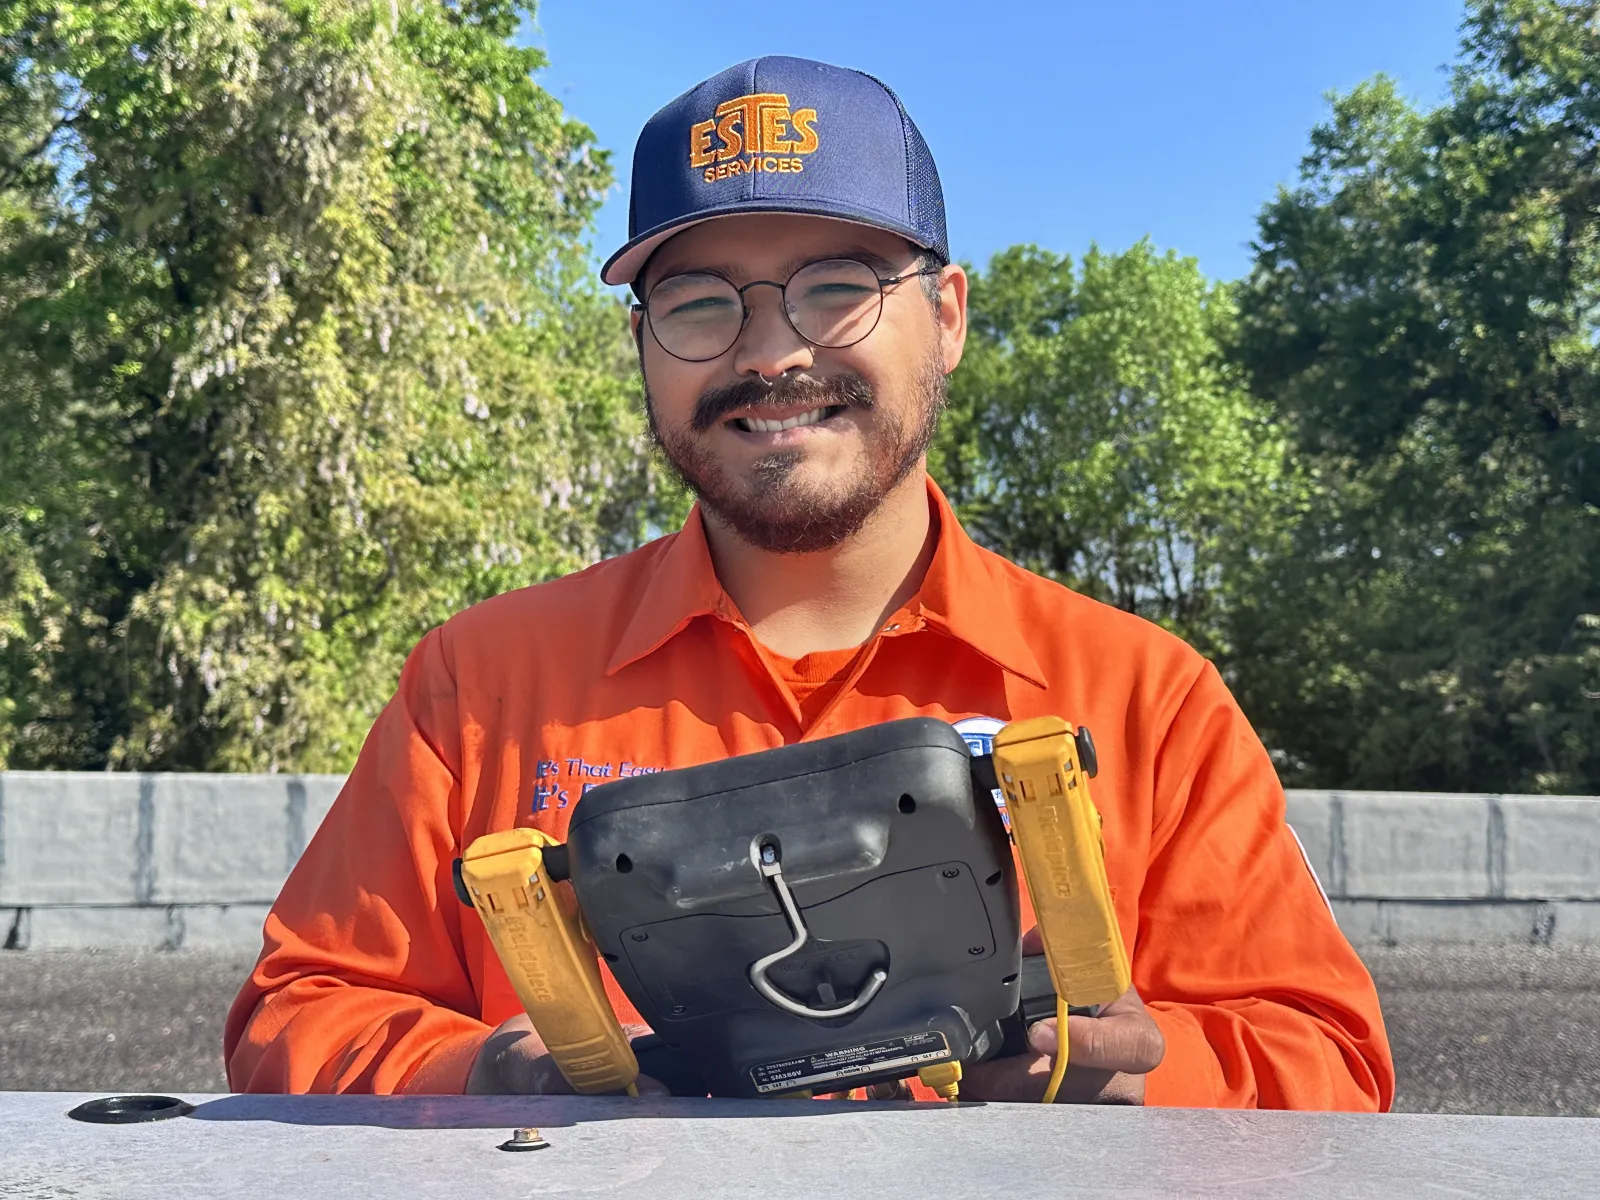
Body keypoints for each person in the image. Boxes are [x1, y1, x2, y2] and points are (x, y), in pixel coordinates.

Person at [224, 55, 1394, 1109]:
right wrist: (488, 1072)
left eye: (837, 287)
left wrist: (1135, 1078)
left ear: (946, 316)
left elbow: (1327, 1061)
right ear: (640, 349)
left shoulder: (1145, 701)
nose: (772, 351)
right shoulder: (479, 685)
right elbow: (301, 1009)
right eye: (697, 304)